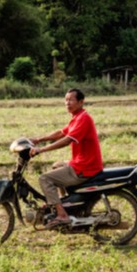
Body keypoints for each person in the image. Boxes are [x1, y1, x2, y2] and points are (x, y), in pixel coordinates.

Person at [30, 88, 103, 229]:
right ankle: (64, 203)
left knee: (45, 179)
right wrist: (39, 139)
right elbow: (60, 133)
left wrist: (42, 149)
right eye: (66, 100)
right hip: (81, 163)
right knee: (57, 165)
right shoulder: (76, 118)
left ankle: (62, 215)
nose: (67, 103)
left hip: (85, 167)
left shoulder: (84, 119)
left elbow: (66, 140)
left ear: (81, 102)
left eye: (71, 100)